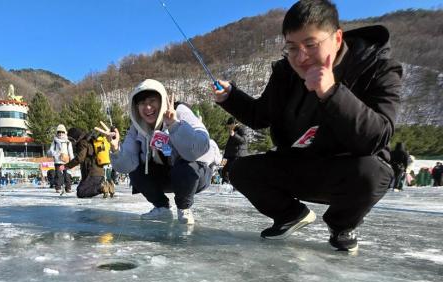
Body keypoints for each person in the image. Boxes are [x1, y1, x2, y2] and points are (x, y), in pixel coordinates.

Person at [213, 0, 401, 252]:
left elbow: (378, 136)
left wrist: (332, 93)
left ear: (336, 38)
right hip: (297, 163)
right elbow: (261, 115)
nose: (301, 58)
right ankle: (290, 215)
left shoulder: (378, 67)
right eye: (292, 48)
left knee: (374, 173)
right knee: (241, 170)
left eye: (311, 45)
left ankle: (341, 225)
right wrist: (231, 97)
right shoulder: (285, 72)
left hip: (346, 170)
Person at [105, 79, 219, 225]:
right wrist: (115, 149)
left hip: (196, 174)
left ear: (162, 100)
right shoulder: (137, 127)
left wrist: (174, 125)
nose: (147, 107)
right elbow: (126, 166)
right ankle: (162, 208)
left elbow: (198, 148)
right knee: (135, 171)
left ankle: (184, 208)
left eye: (152, 101)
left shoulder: (180, 111)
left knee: (185, 166)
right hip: (166, 175)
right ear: (136, 107)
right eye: (141, 103)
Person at [65, 127, 114, 199]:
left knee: (80, 192)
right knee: (80, 188)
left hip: (92, 173)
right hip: (98, 172)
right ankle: (107, 186)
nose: (71, 142)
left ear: (75, 137)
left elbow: (80, 158)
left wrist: (67, 166)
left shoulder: (83, 142)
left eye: (71, 139)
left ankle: (102, 187)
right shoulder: (90, 140)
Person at [48, 124, 74, 195]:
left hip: (66, 161)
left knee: (67, 174)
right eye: (59, 132)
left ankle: (68, 188)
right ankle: (58, 188)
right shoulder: (55, 141)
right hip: (58, 161)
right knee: (58, 175)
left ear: (65, 132)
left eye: (62, 132)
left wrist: (73, 161)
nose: (60, 134)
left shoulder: (68, 142)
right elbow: (50, 150)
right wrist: (56, 154)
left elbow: (70, 152)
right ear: (57, 133)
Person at [221, 117, 248, 184]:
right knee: (225, 171)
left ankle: (233, 185)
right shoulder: (233, 130)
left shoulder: (242, 129)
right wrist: (225, 157)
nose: (228, 127)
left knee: (232, 171)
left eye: (229, 125)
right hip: (232, 155)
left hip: (238, 155)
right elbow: (229, 146)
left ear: (233, 124)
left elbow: (244, 141)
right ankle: (225, 184)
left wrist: (234, 135)